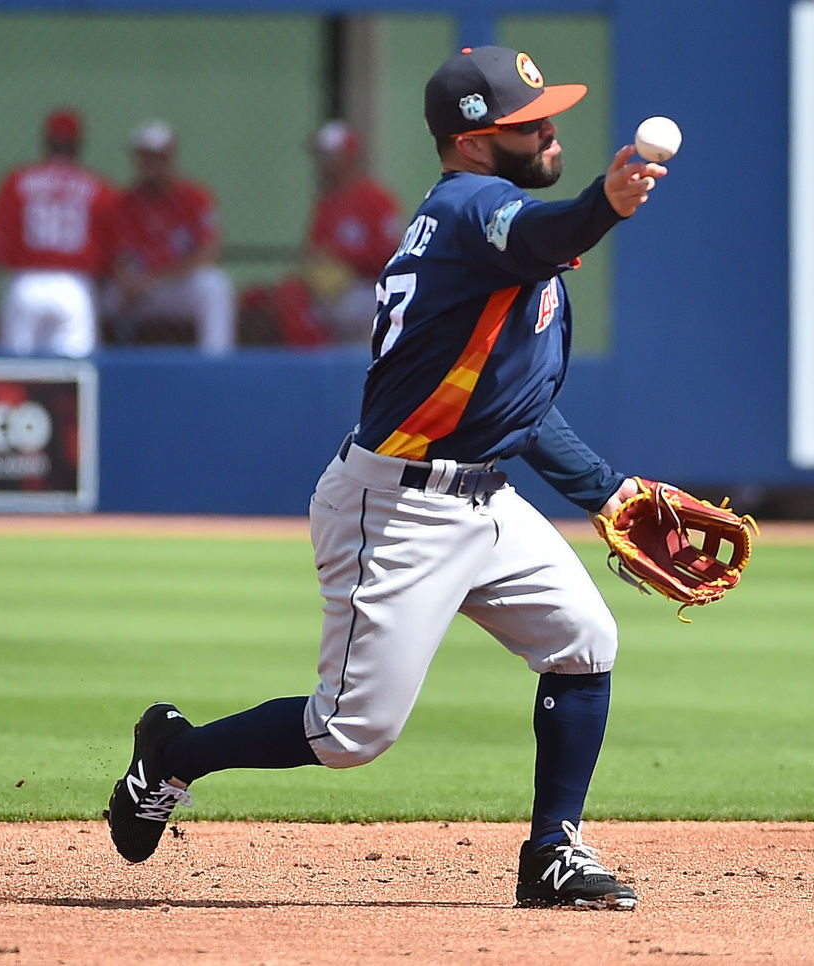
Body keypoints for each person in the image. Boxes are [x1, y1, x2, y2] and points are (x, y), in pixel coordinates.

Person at [105, 44, 669, 911]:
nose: (550, 125)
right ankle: (171, 756)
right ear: (474, 139)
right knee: (349, 733)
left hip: (483, 494)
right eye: (528, 119)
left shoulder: (487, 217)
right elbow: (546, 232)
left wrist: (605, 492)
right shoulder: (474, 208)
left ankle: (553, 852)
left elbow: (512, 403)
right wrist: (605, 203)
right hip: (397, 507)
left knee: (584, 641)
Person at [0, 108, 118, 357]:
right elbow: (111, 256)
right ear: (78, 144)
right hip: (74, 289)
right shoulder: (100, 189)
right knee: (73, 378)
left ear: (47, 141)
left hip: (26, 285)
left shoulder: (17, 182)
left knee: (19, 377)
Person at [238, 120, 403, 345]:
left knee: (299, 298)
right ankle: (315, 361)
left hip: (370, 288)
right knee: (279, 297)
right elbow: (314, 252)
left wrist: (345, 260)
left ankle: (320, 357)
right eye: (322, 157)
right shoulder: (327, 203)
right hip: (336, 292)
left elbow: (393, 256)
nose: (322, 163)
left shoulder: (377, 199)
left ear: (349, 158)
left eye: (330, 157)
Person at [102, 120, 235, 353]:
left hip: (177, 286)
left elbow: (210, 252)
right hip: (139, 291)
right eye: (146, 157)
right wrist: (126, 279)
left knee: (214, 286)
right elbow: (117, 254)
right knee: (91, 298)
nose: (151, 164)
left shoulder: (195, 197)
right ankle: (93, 372)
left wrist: (155, 279)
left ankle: (215, 368)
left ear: (171, 157)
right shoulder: (125, 202)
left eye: (158, 157)